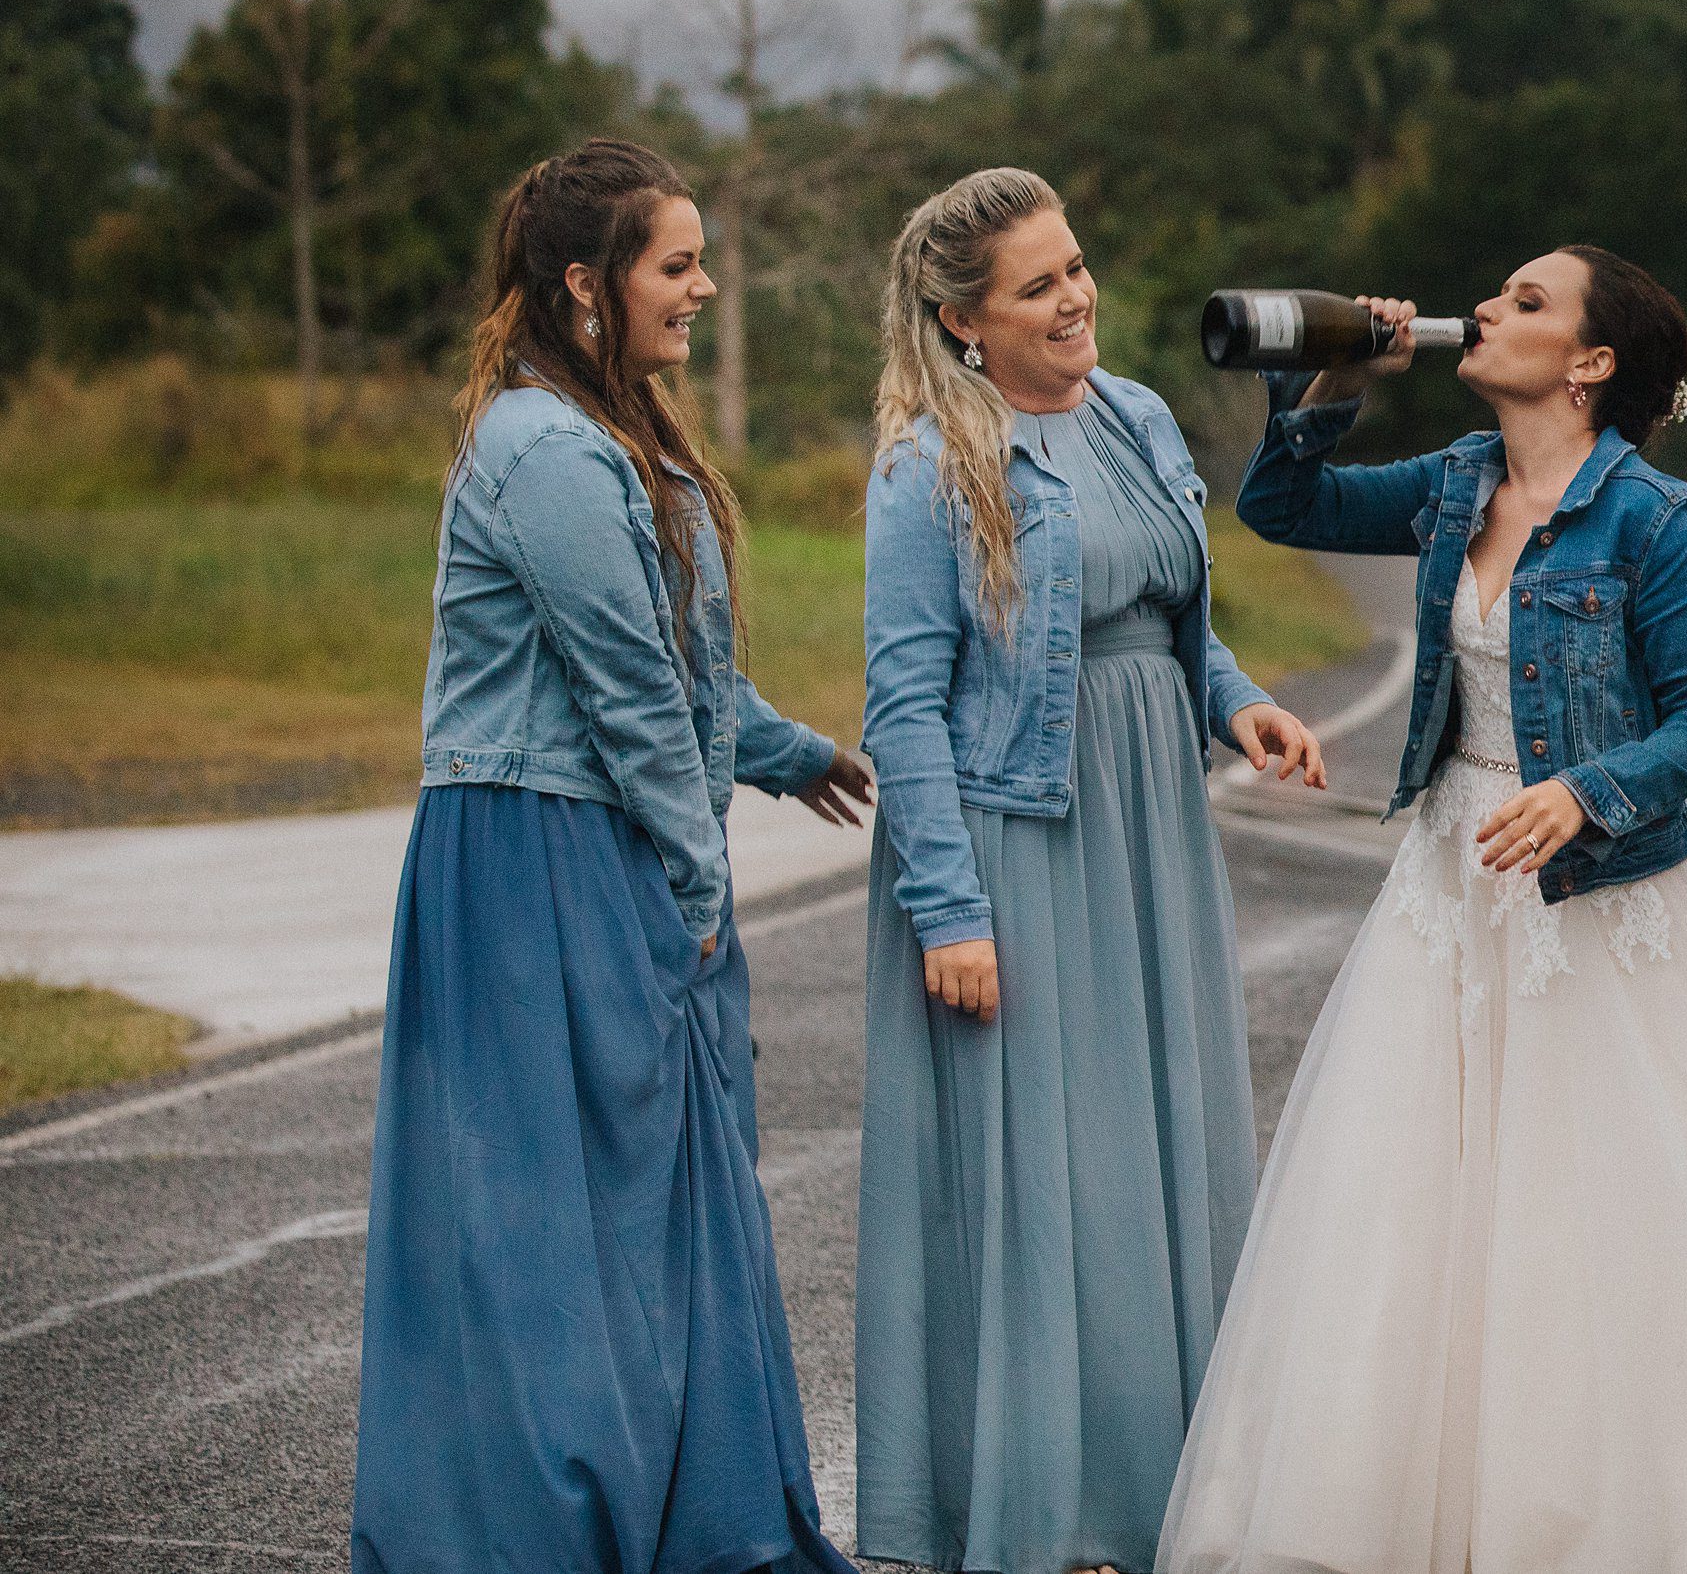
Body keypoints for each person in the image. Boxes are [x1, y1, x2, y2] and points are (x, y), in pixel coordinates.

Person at [1160, 248, 1687, 1574]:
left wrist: (1586, 793)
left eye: (1531, 302)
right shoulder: (1456, 480)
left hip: (1595, 896)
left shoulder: (1652, 518)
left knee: (1607, 1210)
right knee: (1411, 1205)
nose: (1492, 307)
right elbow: (1281, 506)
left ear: (1591, 364)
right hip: (1441, 891)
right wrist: (1328, 386)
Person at [352, 138, 873, 1574]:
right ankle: (525, 1536)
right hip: (532, 859)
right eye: (678, 263)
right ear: (587, 283)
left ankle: (704, 1526)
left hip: (598, 840)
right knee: (540, 1227)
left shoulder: (619, 435)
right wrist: (698, 890)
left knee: (664, 1206)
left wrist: (797, 753)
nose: (704, 287)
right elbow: (628, 692)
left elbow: (687, 679)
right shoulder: (544, 446)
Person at [853, 168, 1325, 1574]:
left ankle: (1152, 1498)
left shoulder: (1136, 416)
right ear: (963, 322)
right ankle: (1039, 1512)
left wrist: (1232, 696)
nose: (1077, 299)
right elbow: (902, 705)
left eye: (1077, 267)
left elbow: (1170, 611)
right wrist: (948, 908)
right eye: (1038, 286)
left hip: (1150, 827)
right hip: (1014, 840)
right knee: (1038, 1180)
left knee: (1153, 1156)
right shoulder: (932, 466)